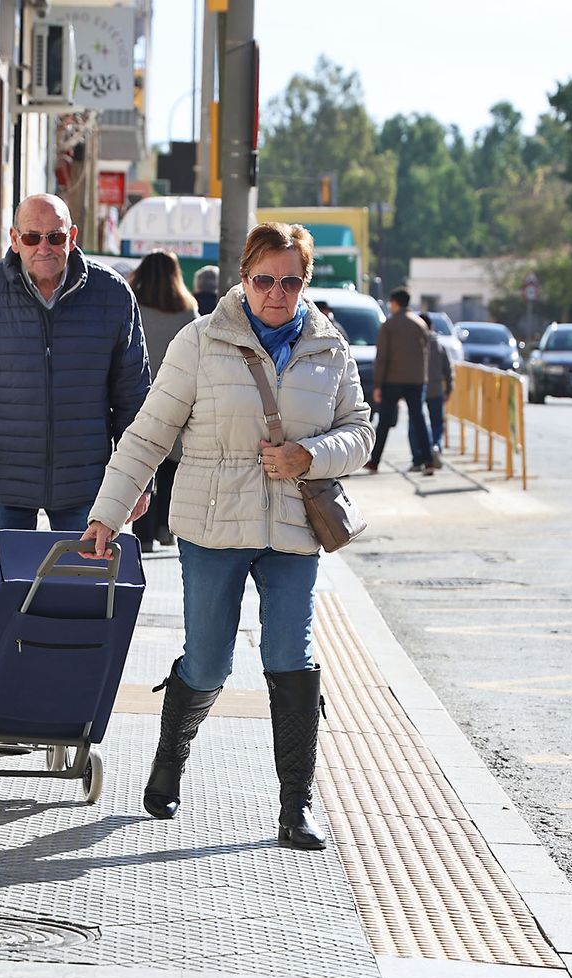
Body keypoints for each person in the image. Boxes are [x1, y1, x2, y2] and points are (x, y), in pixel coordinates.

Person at [80, 223, 373, 850]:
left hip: (294, 528)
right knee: (210, 659)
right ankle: (170, 758)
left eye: (290, 281)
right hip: (213, 526)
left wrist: (310, 456)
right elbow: (149, 433)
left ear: (306, 282)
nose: (276, 293)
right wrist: (107, 513)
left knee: (290, 658)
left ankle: (296, 806)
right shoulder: (201, 340)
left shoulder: (329, 346)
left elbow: (360, 433)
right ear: (244, 276)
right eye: (265, 279)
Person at [0, 193, 152, 582]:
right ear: (14, 239)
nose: (44, 248)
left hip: (85, 484)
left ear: (73, 237)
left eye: (55, 237)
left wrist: (139, 479)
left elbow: (135, 397)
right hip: (0, 479)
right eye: (32, 238)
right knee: (0, 603)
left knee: (81, 602)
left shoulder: (113, 295)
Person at [127, 251, 199, 553]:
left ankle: (141, 534)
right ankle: (165, 528)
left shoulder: (132, 305)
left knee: (141, 465)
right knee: (171, 466)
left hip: (138, 396)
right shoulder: (187, 310)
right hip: (178, 398)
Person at [365, 288, 436, 475]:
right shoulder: (420, 324)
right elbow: (426, 354)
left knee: (385, 422)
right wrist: (423, 379)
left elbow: (382, 357)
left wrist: (378, 384)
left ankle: (375, 461)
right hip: (416, 381)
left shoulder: (389, 325)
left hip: (392, 380)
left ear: (395, 302)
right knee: (419, 420)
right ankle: (428, 461)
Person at [418, 311, 454, 452]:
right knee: (437, 422)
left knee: (417, 423)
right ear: (431, 326)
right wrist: (449, 389)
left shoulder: (414, 345)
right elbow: (448, 370)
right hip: (436, 388)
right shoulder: (439, 346)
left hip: (418, 388)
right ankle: (436, 445)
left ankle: (419, 455)